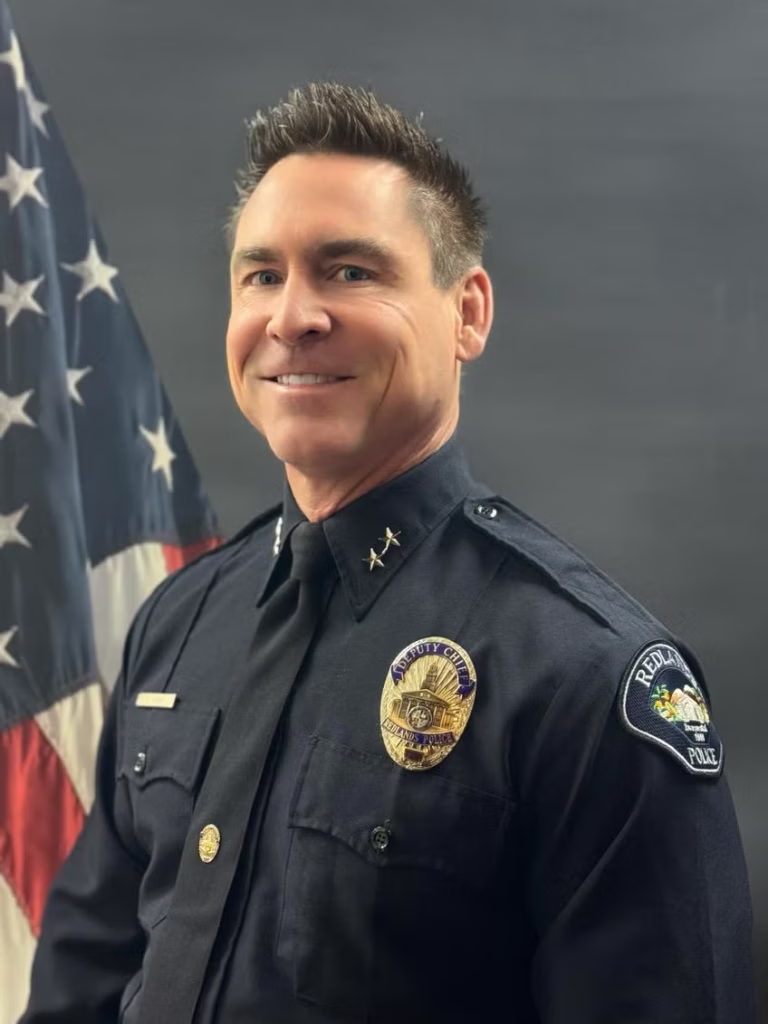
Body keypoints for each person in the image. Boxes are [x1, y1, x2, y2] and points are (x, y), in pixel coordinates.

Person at [22, 82, 755, 1023]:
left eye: (350, 272)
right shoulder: (181, 621)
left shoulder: (587, 679)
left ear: (469, 313)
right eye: (261, 275)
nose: (293, 316)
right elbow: (79, 987)